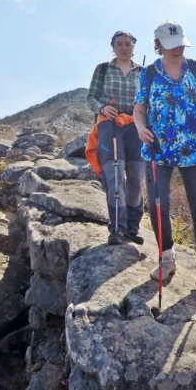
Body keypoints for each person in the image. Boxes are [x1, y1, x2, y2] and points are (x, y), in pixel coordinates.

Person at [133, 21, 196, 298]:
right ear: (158, 46)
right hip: (158, 150)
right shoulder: (148, 74)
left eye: (181, 44)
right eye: (171, 46)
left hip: (194, 149)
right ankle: (167, 258)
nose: (178, 50)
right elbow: (139, 109)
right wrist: (140, 128)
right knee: (159, 206)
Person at [86, 31, 146, 245]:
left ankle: (132, 227)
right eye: (119, 44)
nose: (123, 47)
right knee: (114, 176)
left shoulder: (144, 72)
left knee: (136, 179)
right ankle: (117, 228)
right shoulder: (103, 69)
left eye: (128, 44)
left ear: (133, 47)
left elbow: (149, 100)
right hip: (109, 126)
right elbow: (90, 97)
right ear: (113, 47)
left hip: (136, 127)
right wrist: (102, 108)